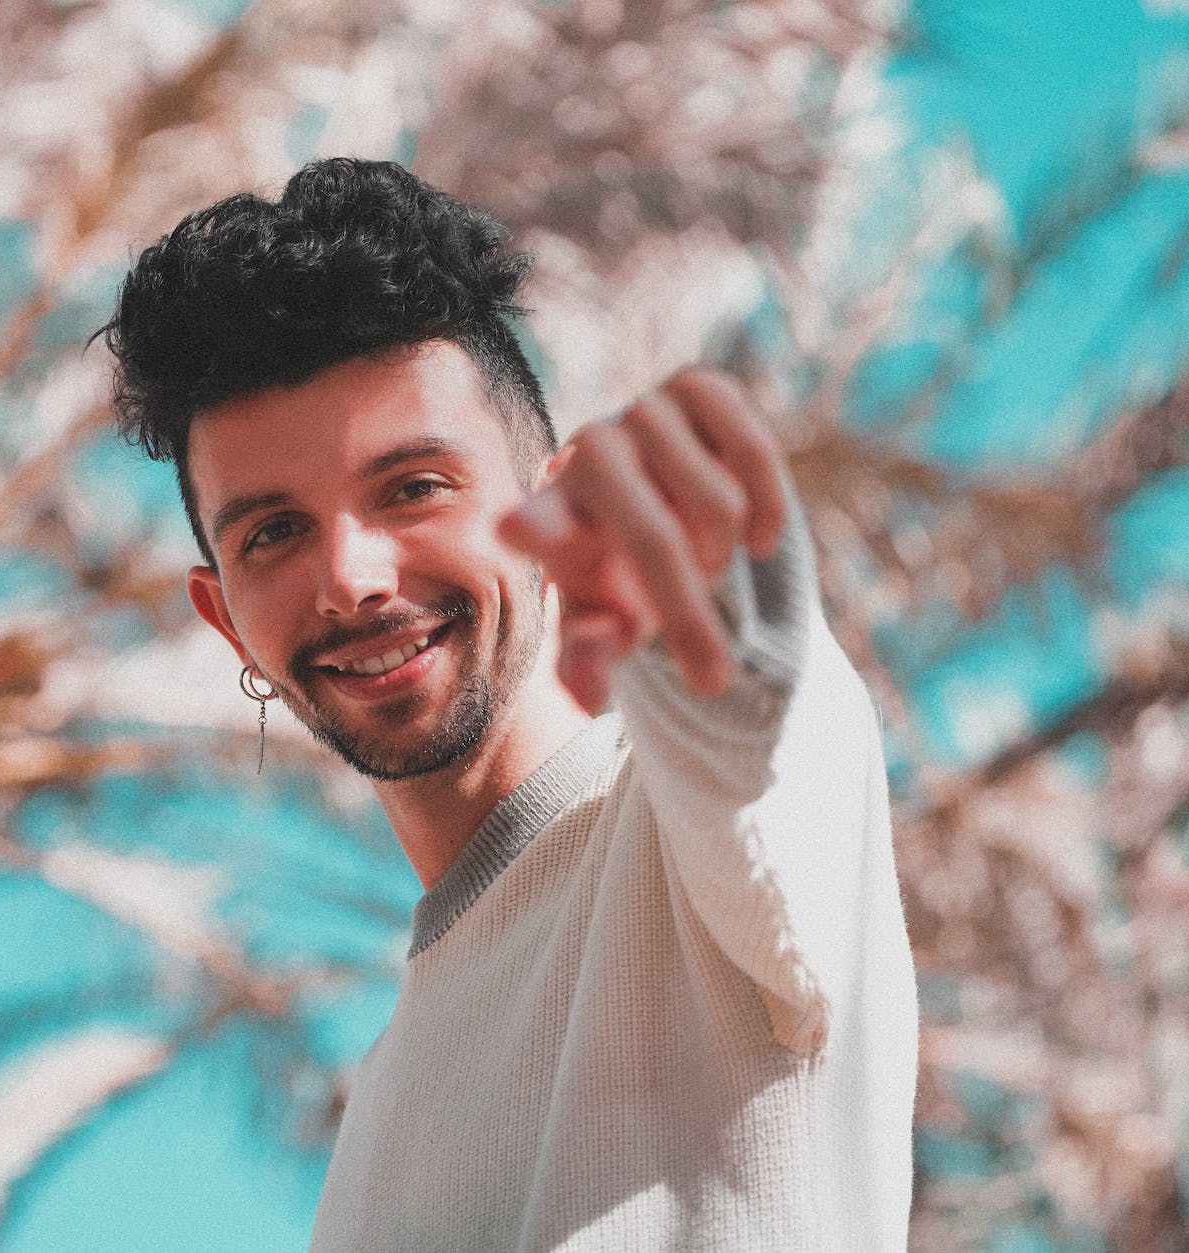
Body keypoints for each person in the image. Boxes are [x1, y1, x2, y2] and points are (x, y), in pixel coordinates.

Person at [99, 158, 918, 1251]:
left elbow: (757, 738)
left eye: (413, 487)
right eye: (273, 532)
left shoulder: (705, 845)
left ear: (549, 497)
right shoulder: (377, 1112)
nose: (351, 576)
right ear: (224, 618)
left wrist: (698, 597)